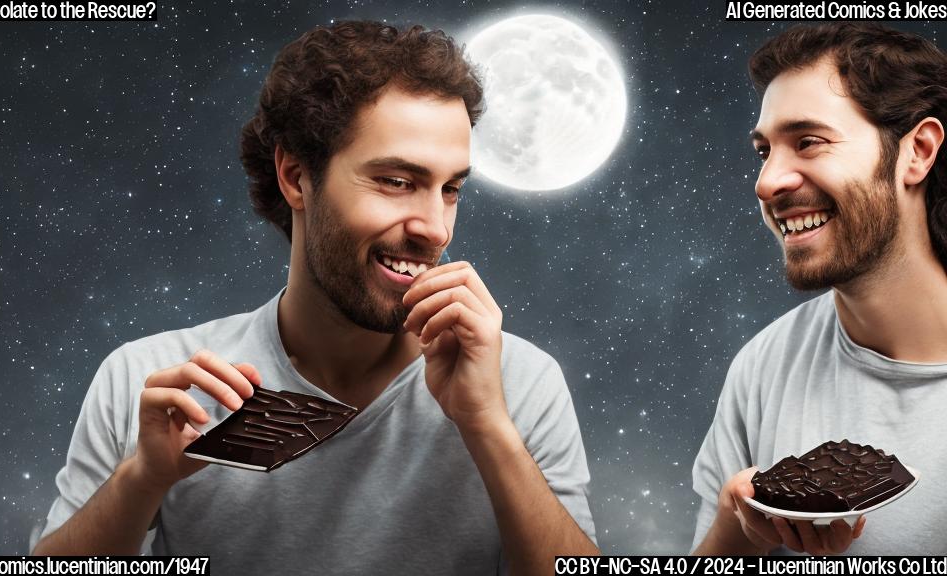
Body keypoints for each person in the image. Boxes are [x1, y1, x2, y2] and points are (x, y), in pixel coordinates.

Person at [31, 20, 599, 574]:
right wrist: (143, 479)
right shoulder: (151, 379)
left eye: (449, 189)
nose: (435, 228)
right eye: (397, 181)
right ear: (296, 175)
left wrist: (488, 424)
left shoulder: (521, 383)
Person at [692, 22, 947, 556]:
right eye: (765, 151)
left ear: (917, 152)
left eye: (808, 142)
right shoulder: (763, 366)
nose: (766, 183)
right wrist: (735, 527)